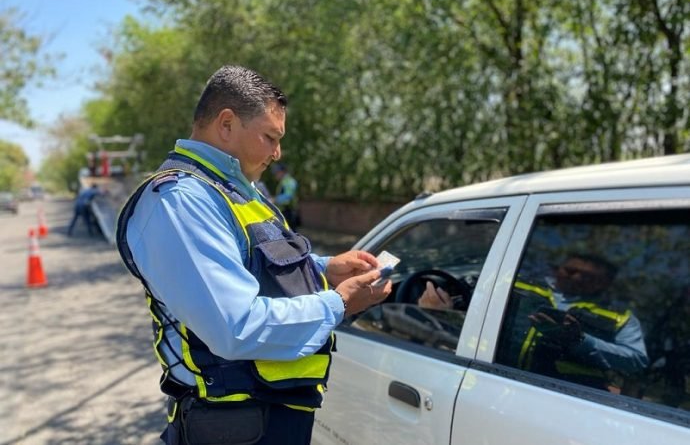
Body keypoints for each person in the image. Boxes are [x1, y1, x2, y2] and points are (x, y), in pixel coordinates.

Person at [115, 65, 392, 445]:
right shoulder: (182, 201)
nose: (277, 153)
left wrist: (326, 268)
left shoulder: (240, 188)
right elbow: (235, 326)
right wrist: (338, 304)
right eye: (270, 137)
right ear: (226, 124)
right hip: (231, 425)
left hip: (269, 417)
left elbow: (258, 264)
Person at [420, 253, 649, 391]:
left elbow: (637, 361)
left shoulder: (619, 317)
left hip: (566, 402)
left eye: (588, 276)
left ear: (604, 283)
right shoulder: (512, 284)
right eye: (570, 271)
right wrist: (441, 313)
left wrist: (581, 341)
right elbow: (474, 317)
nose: (576, 277)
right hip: (489, 386)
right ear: (558, 269)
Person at [270, 163, 300, 230]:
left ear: (282, 172)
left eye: (276, 172)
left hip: (288, 212)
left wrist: (274, 200)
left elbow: (288, 196)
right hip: (285, 211)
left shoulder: (288, 181)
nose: (275, 175)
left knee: (290, 234)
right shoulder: (284, 181)